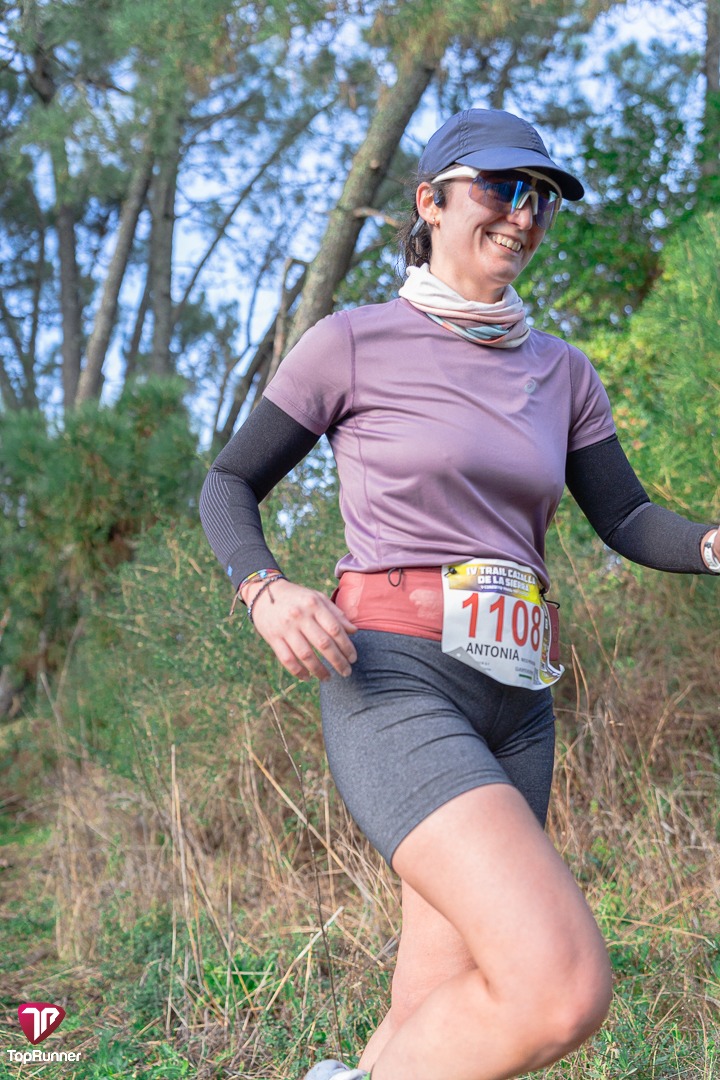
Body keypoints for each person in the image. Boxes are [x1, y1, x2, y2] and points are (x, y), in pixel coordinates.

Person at [199, 108, 720, 1080]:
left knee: (440, 1003)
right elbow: (229, 482)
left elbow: (624, 515)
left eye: (542, 199)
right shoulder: (352, 343)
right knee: (559, 987)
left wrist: (709, 543)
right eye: (502, 188)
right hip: (395, 680)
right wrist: (263, 588)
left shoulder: (564, 373)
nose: (524, 214)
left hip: (519, 703)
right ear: (430, 203)